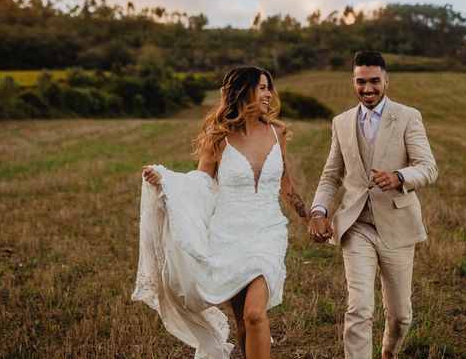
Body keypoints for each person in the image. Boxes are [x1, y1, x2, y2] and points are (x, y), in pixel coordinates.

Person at [132, 66, 311, 359]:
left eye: (269, 88)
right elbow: (201, 183)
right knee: (243, 320)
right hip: (228, 234)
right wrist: (167, 180)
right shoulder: (219, 138)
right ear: (244, 91)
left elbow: (285, 182)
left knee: (255, 314)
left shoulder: (277, 133)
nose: (268, 94)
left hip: (268, 231)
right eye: (262, 87)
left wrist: (309, 217)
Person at [308, 51, 438, 359]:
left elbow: (428, 167)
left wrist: (399, 176)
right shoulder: (341, 123)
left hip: (397, 226)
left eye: (374, 81)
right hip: (356, 227)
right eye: (361, 82)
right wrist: (318, 211)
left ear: (386, 81)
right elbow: (331, 176)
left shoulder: (408, 116)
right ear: (353, 81)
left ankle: (389, 351)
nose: (368, 89)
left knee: (401, 314)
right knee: (359, 308)